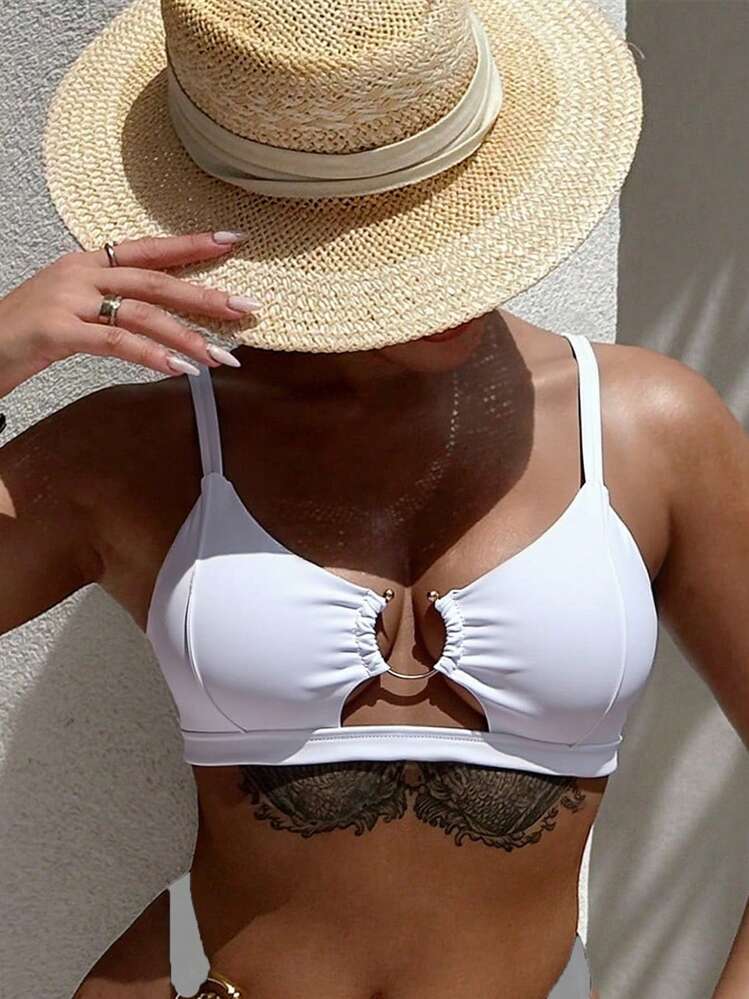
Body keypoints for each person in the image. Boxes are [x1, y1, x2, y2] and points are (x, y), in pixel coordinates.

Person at [3, 0, 748, 997]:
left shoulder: (646, 428)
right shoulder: (140, 449)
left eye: (442, 203)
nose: (442, 274)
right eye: (370, 230)